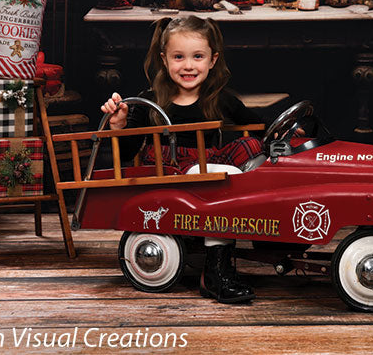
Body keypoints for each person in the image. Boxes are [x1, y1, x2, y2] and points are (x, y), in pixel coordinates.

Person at [101, 16, 264, 304]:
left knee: (252, 149)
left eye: (197, 56)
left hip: (208, 166)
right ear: (164, 60)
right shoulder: (150, 101)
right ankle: (215, 273)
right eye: (179, 57)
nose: (188, 66)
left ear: (212, 60)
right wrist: (119, 125)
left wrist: (284, 130)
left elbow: (257, 125)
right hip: (171, 173)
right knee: (222, 177)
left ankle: (224, 261)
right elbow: (126, 153)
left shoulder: (219, 98)